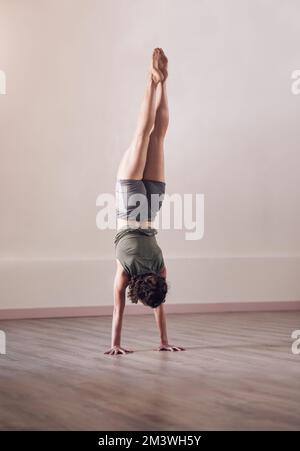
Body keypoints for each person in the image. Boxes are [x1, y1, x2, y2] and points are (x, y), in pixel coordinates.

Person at [104, 48, 185, 356]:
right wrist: (115, 345)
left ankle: (161, 83)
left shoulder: (160, 268)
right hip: (129, 205)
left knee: (156, 137)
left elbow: (159, 306)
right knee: (143, 136)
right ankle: (152, 82)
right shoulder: (125, 271)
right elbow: (118, 311)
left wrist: (164, 341)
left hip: (152, 207)